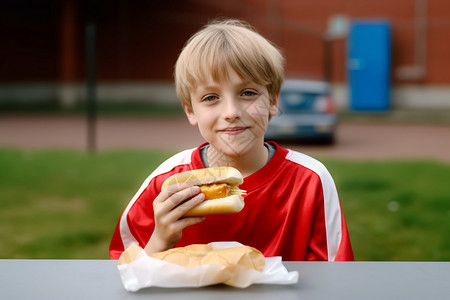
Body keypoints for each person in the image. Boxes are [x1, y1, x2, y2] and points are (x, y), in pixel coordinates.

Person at [109, 19, 354, 261]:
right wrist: (159, 240)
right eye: (210, 97)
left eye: (247, 93)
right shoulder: (166, 183)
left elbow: (335, 277)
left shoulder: (310, 180)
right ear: (190, 111)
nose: (231, 112)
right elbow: (122, 267)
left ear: (273, 101)